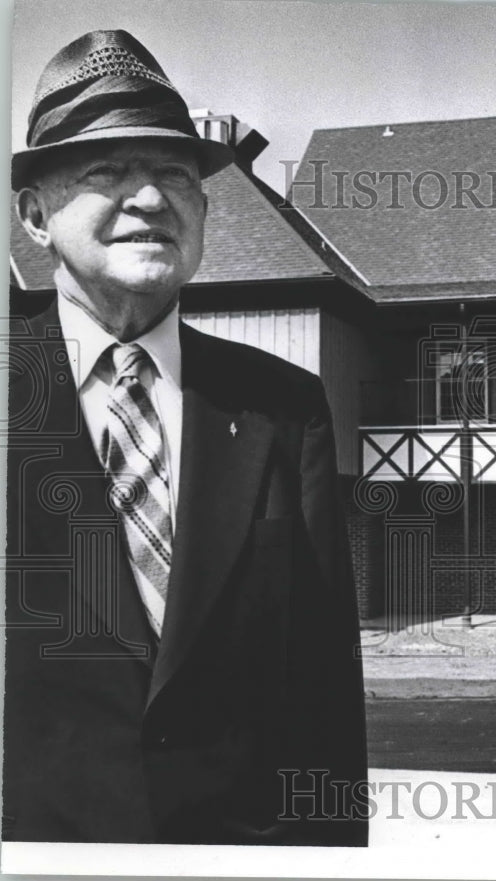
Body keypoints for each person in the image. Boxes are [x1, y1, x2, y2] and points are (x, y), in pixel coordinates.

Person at [4, 30, 368, 845]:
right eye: (107, 170)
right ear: (34, 213)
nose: (149, 198)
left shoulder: (286, 407)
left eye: (174, 173)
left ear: (204, 209)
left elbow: (321, 700)